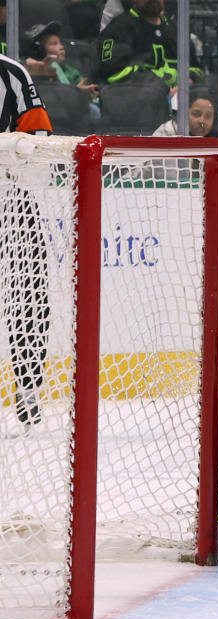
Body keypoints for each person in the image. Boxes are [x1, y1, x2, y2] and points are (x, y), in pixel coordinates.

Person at [0, 54, 53, 434]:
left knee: (30, 294)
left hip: (11, 198)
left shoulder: (11, 72)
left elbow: (40, 142)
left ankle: (29, 387)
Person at [97, 0, 199, 89]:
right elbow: (112, 73)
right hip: (136, 102)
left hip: (181, 102)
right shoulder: (117, 30)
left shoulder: (176, 30)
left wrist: (186, 84)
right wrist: (159, 85)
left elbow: (197, 68)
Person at [23, 21, 100, 120]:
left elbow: (81, 86)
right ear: (39, 49)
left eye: (60, 43)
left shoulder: (68, 70)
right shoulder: (28, 69)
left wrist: (87, 94)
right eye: (54, 44)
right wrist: (76, 92)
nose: (61, 47)